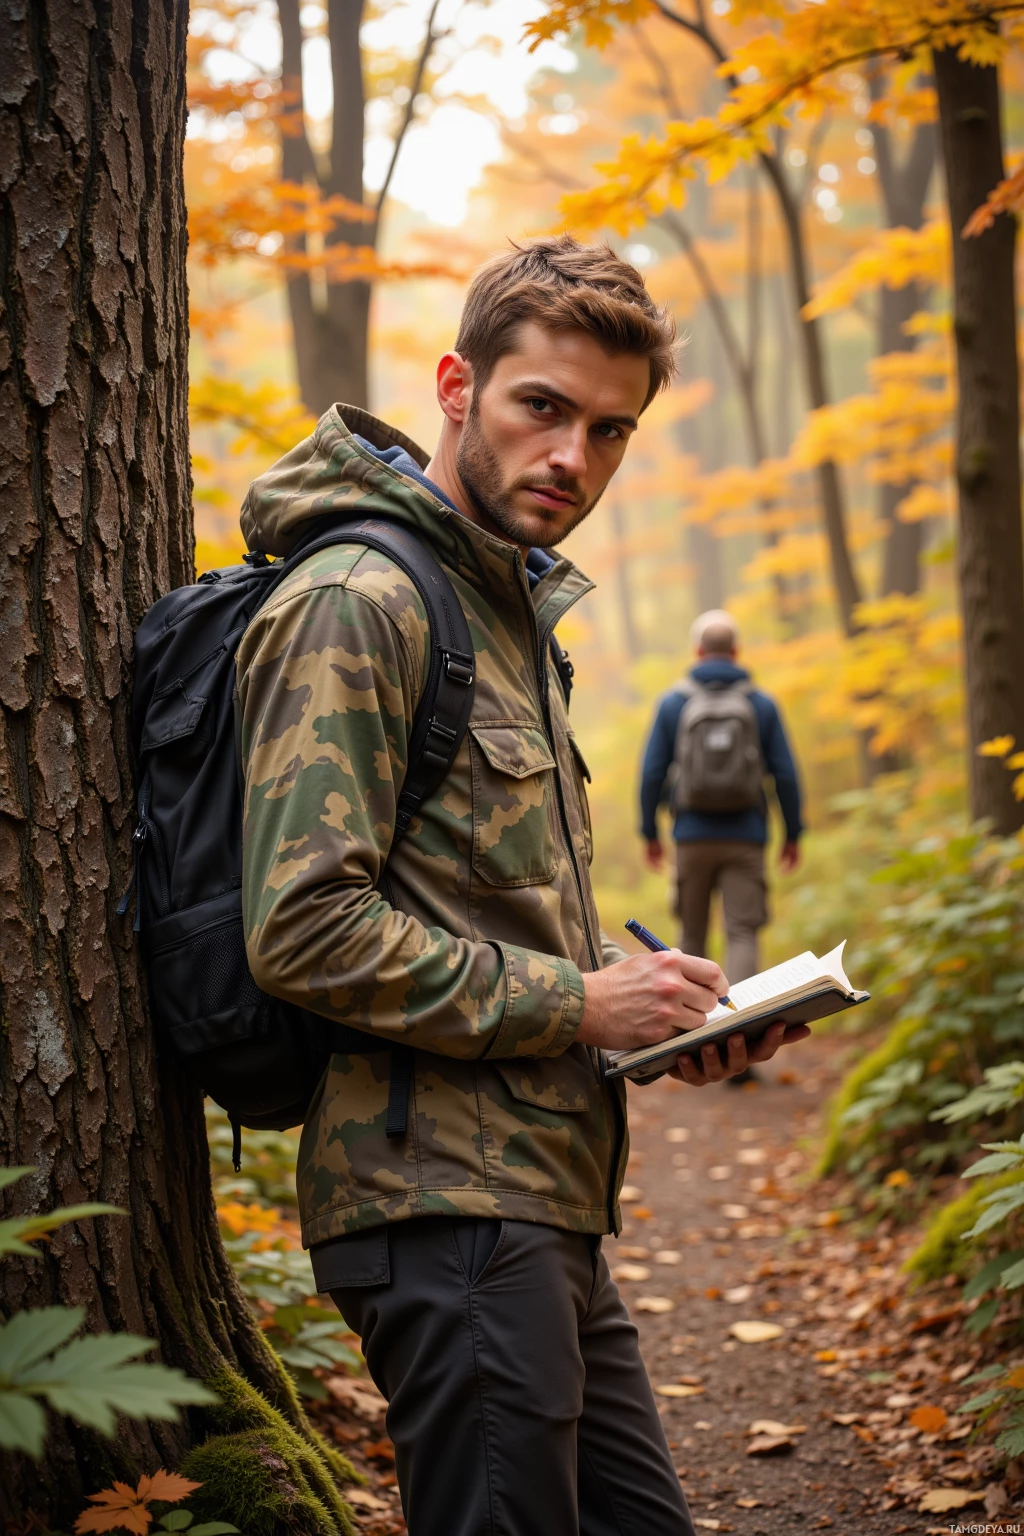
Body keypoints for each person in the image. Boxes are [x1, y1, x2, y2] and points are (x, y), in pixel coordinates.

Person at [236, 237, 807, 1536]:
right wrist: (581, 1006)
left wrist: (662, 1013)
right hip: (442, 1206)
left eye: (611, 431)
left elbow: (483, 911)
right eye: (541, 407)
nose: (575, 459)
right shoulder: (362, 600)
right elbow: (303, 927)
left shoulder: (503, 617)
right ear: (456, 384)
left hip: (539, 1192)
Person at [640, 609, 803, 985]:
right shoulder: (761, 704)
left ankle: (693, 1031)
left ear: (698, 652)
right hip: (746, 836)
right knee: (742, 932)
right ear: (736, 651)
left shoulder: (673, 703)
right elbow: (785, 775)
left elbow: (652, 774)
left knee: (691, 935)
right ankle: (742, 1026)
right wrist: (792, 834)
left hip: (691, 837)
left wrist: (650, 832)